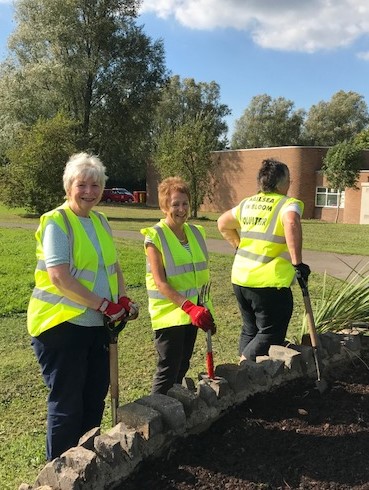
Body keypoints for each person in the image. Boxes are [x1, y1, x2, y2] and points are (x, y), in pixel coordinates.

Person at [27, 152, 139, 461]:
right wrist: (105, 304)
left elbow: (112, 267)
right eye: (82, 185)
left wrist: (122, 299)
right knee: (67, 405)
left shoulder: (100, 220)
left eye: (96, 185)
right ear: (68, 186)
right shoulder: (57, 222)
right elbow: (59, 277)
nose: (89, 192)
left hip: (96, 328)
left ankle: (86, 466)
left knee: (93, 402)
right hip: (60, 327)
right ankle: (61, 474)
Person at [217, 158, 310, 362]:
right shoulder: (287, 204)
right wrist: (298, 264)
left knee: (250, 330)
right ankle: (243, 366)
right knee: (271, 332)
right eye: (289, 180)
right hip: (268, 284)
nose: (291, 183)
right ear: (280, 183)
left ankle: (243, 380)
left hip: (241, 279)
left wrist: (238, 246)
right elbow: (292, 222)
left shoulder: (248, 203)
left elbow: (223, 223)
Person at [140, 176, 216, 395]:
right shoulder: (155, 236)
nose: (181, 209)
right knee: (168, 369)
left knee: (183, 365)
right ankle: (155, 414)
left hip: (193, 314)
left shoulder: (196, 233)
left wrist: (205, 311)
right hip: (170, 315)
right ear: (165, 206)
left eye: (184, 203)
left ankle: (172, 413)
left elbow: (200, 278)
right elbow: (160, 282)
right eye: (175, 204)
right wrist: (189, 307)